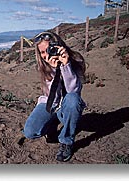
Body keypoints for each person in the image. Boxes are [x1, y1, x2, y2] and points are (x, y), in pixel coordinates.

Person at [23, 31, 86, 162]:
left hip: (68, 105)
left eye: (49, 50)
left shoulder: (76, 60)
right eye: (42, 52)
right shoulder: (44, 66)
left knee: (73, 100)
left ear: (58, 46)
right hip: (51, 103)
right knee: (30, 131)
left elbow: (73, 90)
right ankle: (51, 125)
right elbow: (51, 96)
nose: (46, 55)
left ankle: (66, 141)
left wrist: (65, 65)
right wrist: (53, 70)